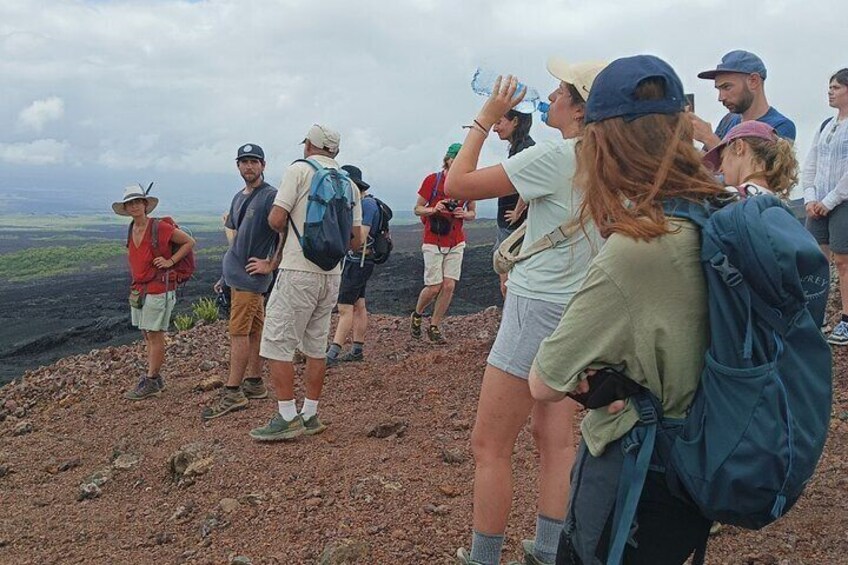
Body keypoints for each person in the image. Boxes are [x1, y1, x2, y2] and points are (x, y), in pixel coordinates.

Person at [528, 55, 722, 564]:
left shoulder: (637, 249)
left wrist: (599, 372)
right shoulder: (719, 211)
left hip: (637, 473)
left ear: (603, 144)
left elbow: (546, 379)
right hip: (699, 456)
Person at [446, 58, 606, 565]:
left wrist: (485, 114)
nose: (551, 97)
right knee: (554, 440)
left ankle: (483, 558)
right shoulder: (610, 157)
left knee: (489, 444)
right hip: (580, 307)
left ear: (579, 109)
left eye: (561, 90)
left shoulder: (561, 156)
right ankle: (549, 548)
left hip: (536, 307)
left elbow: (458, 184)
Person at [250, 124, 363, 441]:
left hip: (298, 269)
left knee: (277, 343)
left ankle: (287, 416)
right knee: (316, 346)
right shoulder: (349, 184)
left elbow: (275, 219)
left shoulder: (299, 171)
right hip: (332, 274)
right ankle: (310, 414)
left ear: (309, 146)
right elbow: (356, 241)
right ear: (335, 151)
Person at [202, 143, 280, 420]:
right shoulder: (238, 197)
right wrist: (225, 275)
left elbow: (285, 232)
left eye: (254, 161)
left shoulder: (271, 196)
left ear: (263, 165)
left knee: (238, 333)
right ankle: (255, 383)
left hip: (250, 280)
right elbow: (236, 238)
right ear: (237, 166)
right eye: (244, 162)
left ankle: (233, 391)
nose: (249, 166)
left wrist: (271, 264)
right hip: (236, 276)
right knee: (254, 331)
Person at [114, 184, 195, 400]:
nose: (134, 206)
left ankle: (151, 379)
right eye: (130, 203)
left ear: (145, 204)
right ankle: (155, 378)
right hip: (140, 288)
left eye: (137, 202)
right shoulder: (132, 228)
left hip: (159, 286)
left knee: (155, 333)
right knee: (147, 333)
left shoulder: (159, 227)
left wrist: (171, 261)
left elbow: (189, 241)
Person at [410, 143, 477, 345]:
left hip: (456, 240)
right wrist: (434, 209)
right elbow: (417, 208)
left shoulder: (468, 184)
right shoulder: (433, 180)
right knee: (433, 287)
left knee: (448, 285)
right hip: (433, 238)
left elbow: (473, 212)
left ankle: (435, 325)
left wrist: (464, 214)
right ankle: (418, 313)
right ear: (448, 159)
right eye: (456, 160)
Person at [803, 68, 848, 344]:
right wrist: (809, 197)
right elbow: (811, 163)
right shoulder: (825, 126)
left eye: (836, 87)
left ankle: (846, 320)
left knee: (843, 262)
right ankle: (814, 318)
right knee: (812, 259)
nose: (830, 91)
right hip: (817, 204)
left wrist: (829, 201)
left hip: (842, 202)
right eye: (829, 87)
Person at [690, 50, 796, 151]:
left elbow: (760, 169)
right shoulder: (728, 120)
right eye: (719, 89)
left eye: (727, 87)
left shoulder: (780, 126)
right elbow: (705, 166)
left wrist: (709, 138)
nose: (721, 97)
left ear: (754, 81)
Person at [326, 165, 380, 365]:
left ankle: (332, 353)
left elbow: (361, 237)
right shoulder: (368, 203)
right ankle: (357, 349)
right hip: (361, 261)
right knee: (359, 305)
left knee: (344, 307)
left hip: (358, 262)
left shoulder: (365, 206)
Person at [491, 110, 535, 296]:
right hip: (511, 222)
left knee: (508, 280)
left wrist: (518, 210)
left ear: (515, 121)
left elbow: (530, 182)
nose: (495, 128)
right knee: (507, 277)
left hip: (514, 224)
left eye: (499, 122)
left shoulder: (525, 148)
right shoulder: (519, 147)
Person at [702, 120, 798, 199]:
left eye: (722, 158)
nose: (720, 169)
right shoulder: (779, 205)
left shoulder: (727, 198)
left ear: (739, 147)